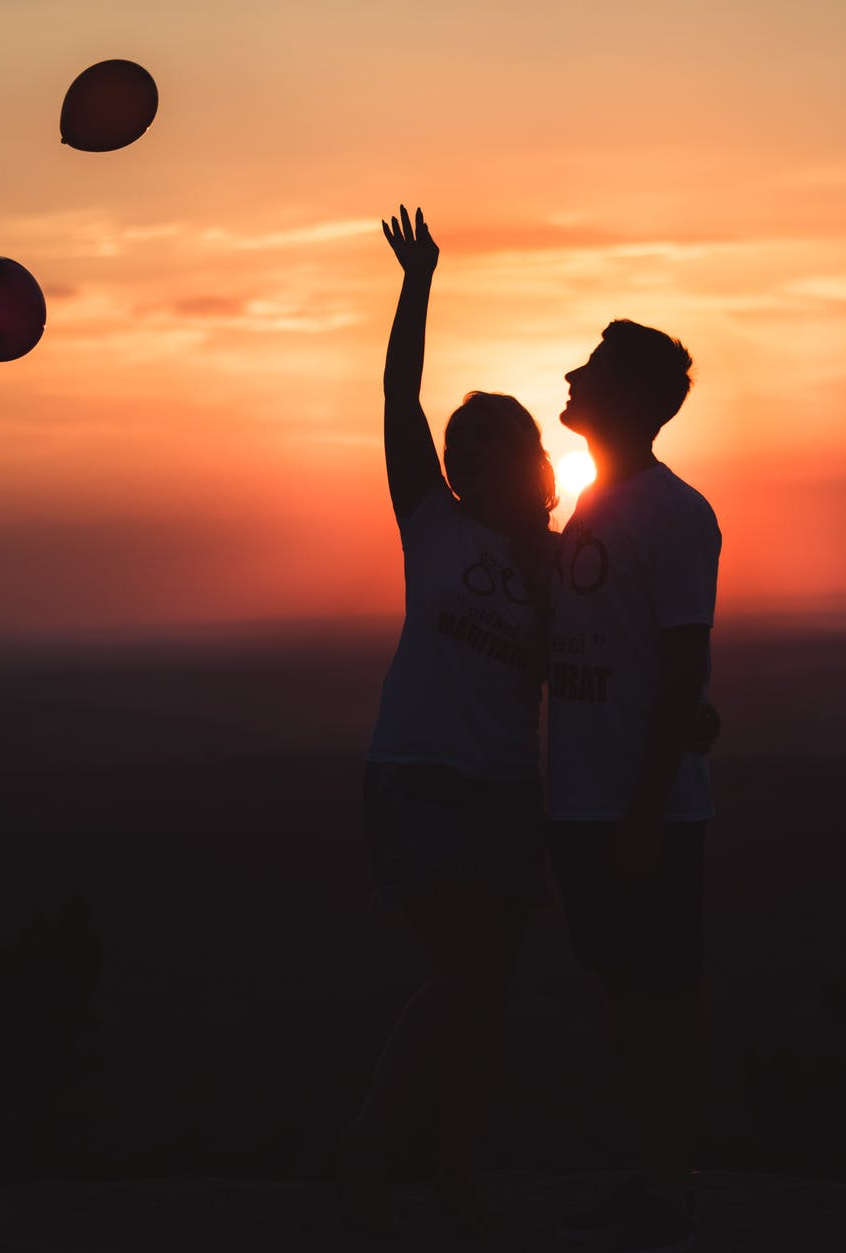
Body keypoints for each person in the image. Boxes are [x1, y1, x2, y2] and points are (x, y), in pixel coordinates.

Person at [337, 206, 559, 1236]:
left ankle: (452, 1172)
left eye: (489, 443)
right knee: (466, 972)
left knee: (488, 994)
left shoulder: (559, 567)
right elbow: (396, 397)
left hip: (510, 795)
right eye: (460, 445)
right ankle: (371, 1143)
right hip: (419, 780)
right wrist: (417, 281)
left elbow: (605, 670)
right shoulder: (428, 523)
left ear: (526, 459)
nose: (468, 455)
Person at [545, 319, 720, 1252]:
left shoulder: (675, 513)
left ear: (637, 400)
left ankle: (671, 1183)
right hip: (582, 800)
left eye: (595, 370)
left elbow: (682, 661)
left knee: (658, 994)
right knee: (621, 991)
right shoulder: (591, 508)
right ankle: (655, 1175)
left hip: (639, 807)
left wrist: (647, 811)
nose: (571, 374)